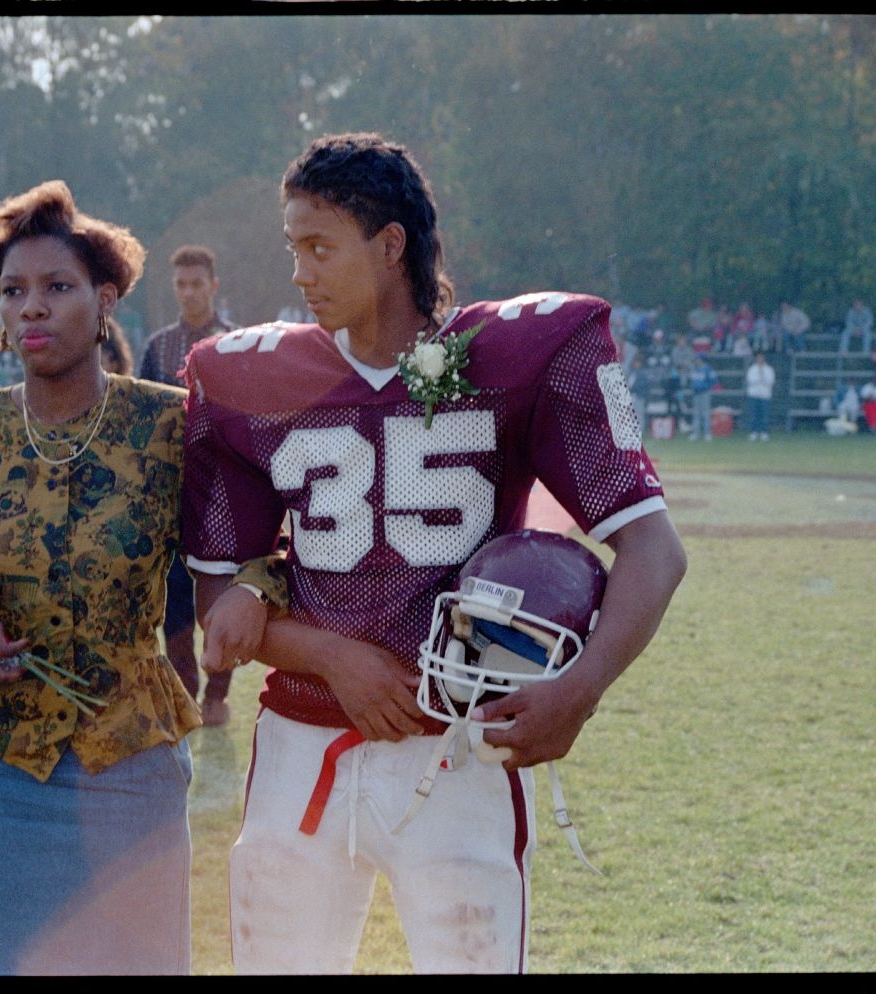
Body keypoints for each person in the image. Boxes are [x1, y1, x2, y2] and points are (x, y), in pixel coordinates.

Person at [183, 132, 686, 974]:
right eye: (291, 248)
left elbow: (655, 549)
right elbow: (217, 609)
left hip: (459, 750)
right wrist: (332, 656)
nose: (299, 272)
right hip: (301, 746)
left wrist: (581, 690)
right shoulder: (247, 376)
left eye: (319, 247)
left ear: (390, 247)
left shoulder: (526, 350)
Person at [0, 180, 282, 976]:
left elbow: (260, 547)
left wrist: (251, 595)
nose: (31, 308)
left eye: (57, 287)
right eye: (14, 292)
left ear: (105, 301)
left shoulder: (174, 426)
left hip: (128, 764)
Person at [138, 245, 237, 725]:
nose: (189, 292)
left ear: (213, 286)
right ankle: (184, 693)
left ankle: (217, 694)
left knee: (221, 599)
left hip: (224, 498)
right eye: (181, 284)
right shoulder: (157, 348)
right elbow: (141, 425)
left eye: (198, 283)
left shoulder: (237, 344)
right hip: (173, 497)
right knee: (175, 600)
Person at [744, 351, 775, 440]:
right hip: (753, 395)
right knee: (754, 414)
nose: (760, 360)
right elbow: (751, 381)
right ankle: (753, 432)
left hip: (765, 395)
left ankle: (764, 432)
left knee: (764, 415)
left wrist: (762, 377)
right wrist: (760, 379)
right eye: (758, 358)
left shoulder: (769, 369)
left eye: (761, 358)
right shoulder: (752, 369)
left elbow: (770, 381)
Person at [688, 352, 718, 440]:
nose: (697, 361)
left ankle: (707, 433)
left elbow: (714, 381)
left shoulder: (708, 369)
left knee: (705, 413)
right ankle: (695, 433)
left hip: (705, 393)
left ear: (702, 360)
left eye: (698, 359)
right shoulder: (695, 369)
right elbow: (692, 380)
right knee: (696, 414)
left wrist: (705, 386)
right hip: (696, 393)